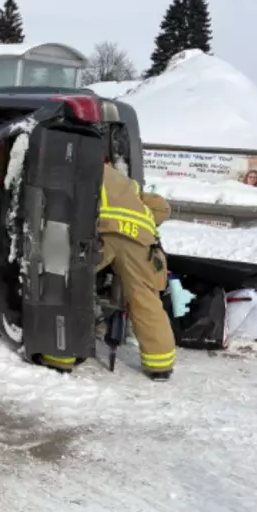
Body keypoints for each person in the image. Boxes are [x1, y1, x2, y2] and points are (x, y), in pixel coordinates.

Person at [45, 162, 174, 380]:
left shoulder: (76, 164)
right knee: (145, 298)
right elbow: (162, 208)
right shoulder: (127, 183)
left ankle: (60, 356)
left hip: (101, 232)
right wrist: (145, 221)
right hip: (140, 238)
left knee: (70, 284)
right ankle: (160, 364)